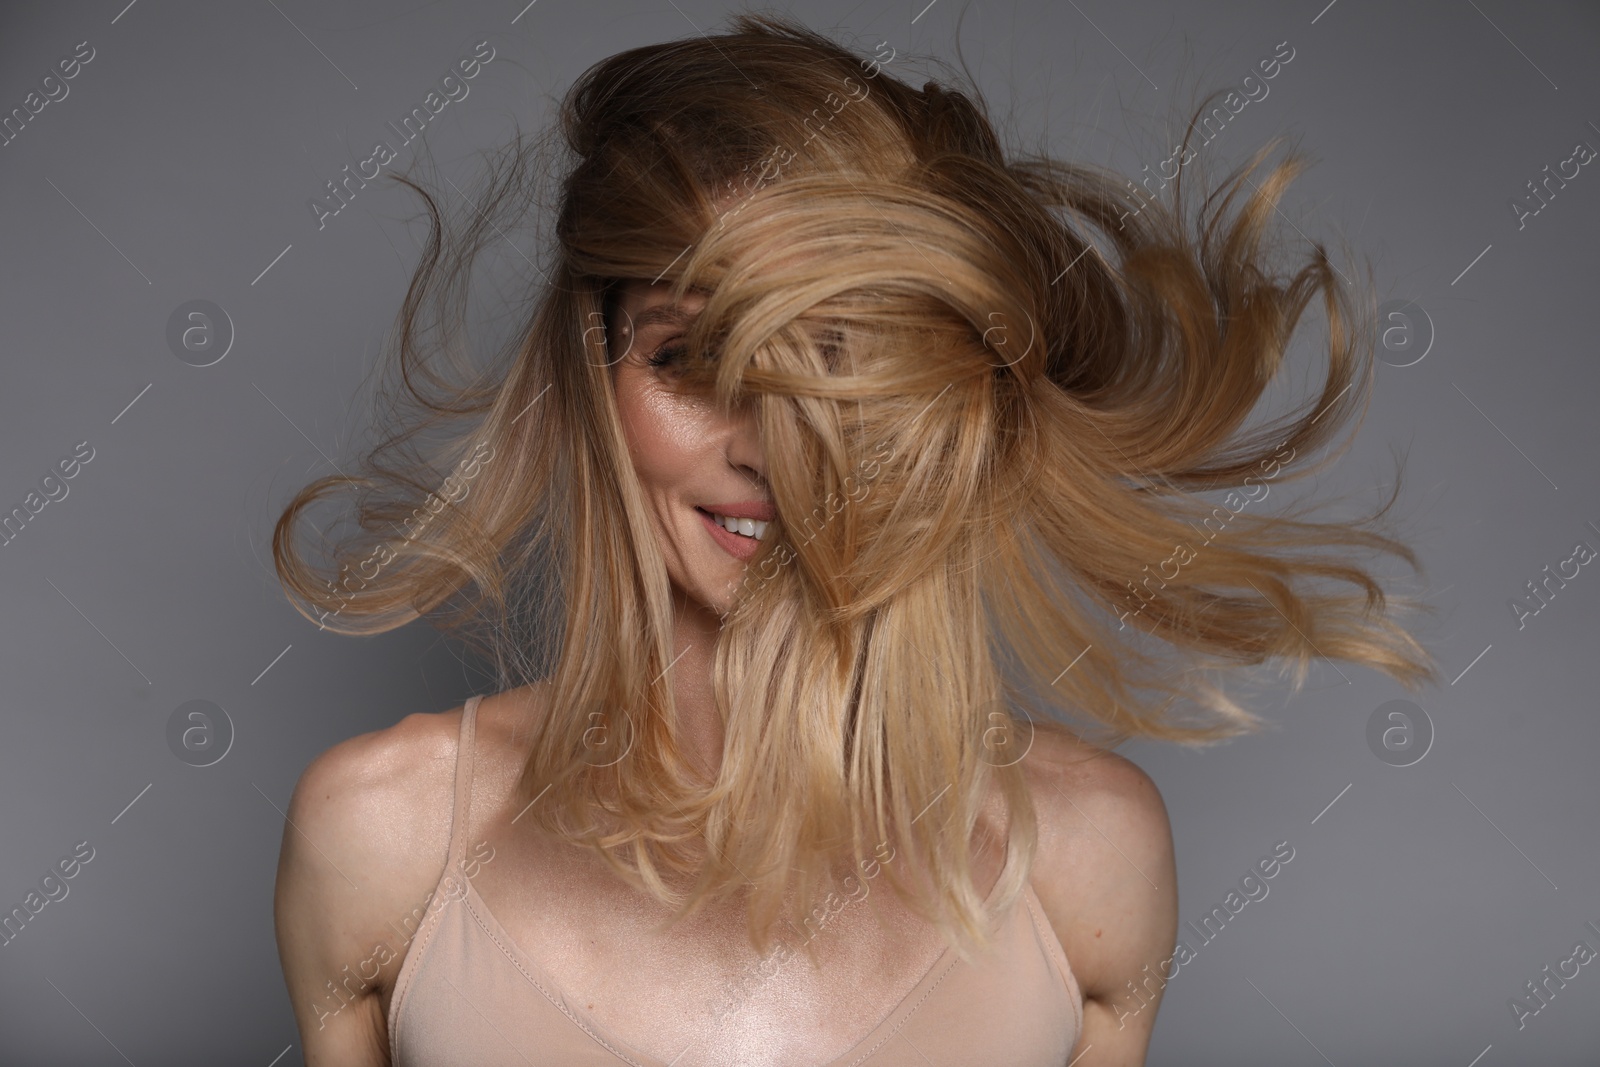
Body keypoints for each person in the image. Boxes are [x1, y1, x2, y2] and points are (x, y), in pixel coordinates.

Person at [270, 14, 1436, 1065]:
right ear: (590, 379)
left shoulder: (1088, 857)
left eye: (848, 367)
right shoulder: (385, 834)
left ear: (946, 408)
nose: (772, 446)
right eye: (687, 359)